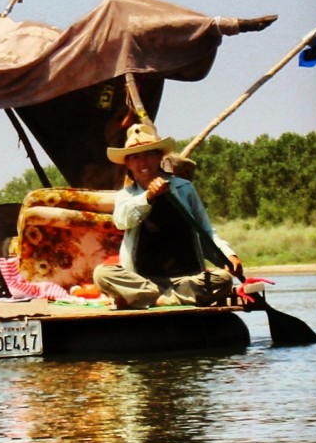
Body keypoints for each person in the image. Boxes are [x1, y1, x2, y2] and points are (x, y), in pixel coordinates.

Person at [93, 124, 242, 309]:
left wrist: (229, 256)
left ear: (159, 157)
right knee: (101, 274)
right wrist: (148, 196)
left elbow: (205, 231)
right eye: (136, 157)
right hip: (143, 282)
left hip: (186, 280)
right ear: (128, 164)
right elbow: (122, 222)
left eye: (148, 154)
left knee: (224, 279)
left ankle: (160, 300)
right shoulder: (126, 195)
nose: (143, 162)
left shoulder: (183, 188)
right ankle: (151, 296)